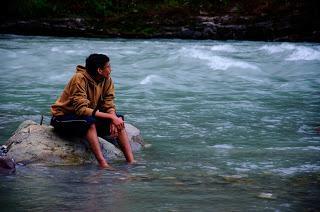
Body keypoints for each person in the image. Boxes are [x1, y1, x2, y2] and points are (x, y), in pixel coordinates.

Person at [50, 53, 135, 168]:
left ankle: (131, 161)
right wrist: (111, 117)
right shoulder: (79, 79)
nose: (111, 69)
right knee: (90, 123)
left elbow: (109, 104)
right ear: (100, 70)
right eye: (108, 67)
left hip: (84, 117)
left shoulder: (107, 80)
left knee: (119, 119)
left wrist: (113, 117)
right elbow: (81, 110)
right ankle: (103, 164)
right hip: (62, 118)